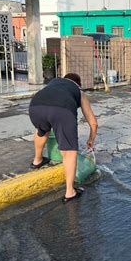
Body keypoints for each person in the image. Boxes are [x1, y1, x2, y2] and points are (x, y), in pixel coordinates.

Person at [28, 73, 98, 203]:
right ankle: (70, 192)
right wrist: (90, 140)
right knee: (69, 151)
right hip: (62, 110)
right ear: (79, 84)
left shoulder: (54, 82)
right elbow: (93, 123)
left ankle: (37, 161)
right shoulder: (78, 91)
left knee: (42, 131)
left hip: (35, 107)